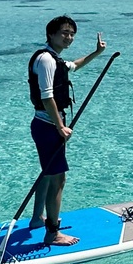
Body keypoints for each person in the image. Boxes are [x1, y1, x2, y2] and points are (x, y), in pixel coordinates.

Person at [28, 16, 106, 245]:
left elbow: (75, 65)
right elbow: (47, 96)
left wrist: (96, 53)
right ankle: (52, 233)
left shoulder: (55, 59)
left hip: (47, 125)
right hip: (48, 126)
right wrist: (60, 126)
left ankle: (36, 219)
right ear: (50, 34)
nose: (69, 37)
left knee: (47, 173)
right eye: (64, 33)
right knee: (58, 180)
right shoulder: (46, 60)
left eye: (72, 33)